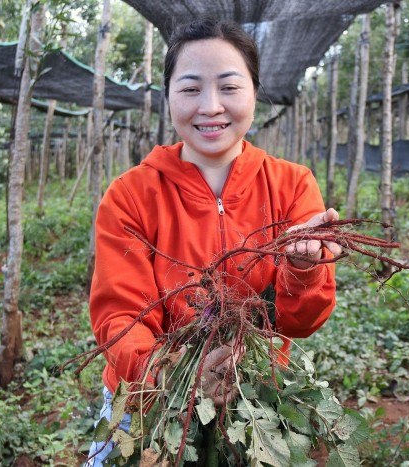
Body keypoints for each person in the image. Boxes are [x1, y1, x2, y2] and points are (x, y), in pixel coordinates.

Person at [84, 17, 339, 466]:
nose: (210, 106)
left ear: (254, 92)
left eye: (229, 87)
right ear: (167, 98)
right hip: (149, 401)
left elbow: (300, 321)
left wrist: (303, 268)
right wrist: (177, 373)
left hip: (253, 398)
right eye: (190, 89)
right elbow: (120, 317)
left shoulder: (292, 186)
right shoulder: (130, 196)